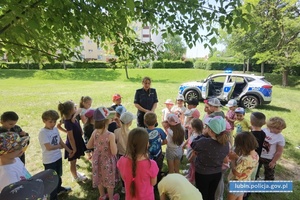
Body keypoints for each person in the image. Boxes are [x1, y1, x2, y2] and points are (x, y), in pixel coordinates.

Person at [191, 116, 230, 200]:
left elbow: (193, 144)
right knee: (211, 194)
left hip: (203, 173)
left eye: (207, 127)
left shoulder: (204, 142)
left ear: (211, 131)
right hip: (217, 173)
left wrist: (203, 135)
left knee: (202, 194)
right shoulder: (226, 143)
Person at [87, 107, 119, 200]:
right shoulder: (110, 135)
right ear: (105, 121)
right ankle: (111, 198)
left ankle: (102, 196)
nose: (111, 118)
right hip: (108, 161)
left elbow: (89, 146)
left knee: (100, 178)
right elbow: (114, 152)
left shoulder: (94, 132)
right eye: (109, 117)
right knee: (109, 180)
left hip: (97, 160)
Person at [38, 110, 72, 199]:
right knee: (51, 180)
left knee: (58, 175)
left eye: (54, 121)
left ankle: (59, 189)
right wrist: (59, 146)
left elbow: (60, 140)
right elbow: (48, 147)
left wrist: (68, 150)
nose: (53, 124)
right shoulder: (43, 133)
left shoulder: (55, 129)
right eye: (50, 122)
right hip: (49, 160)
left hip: (58, 157)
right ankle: (53, 197)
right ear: (44, 121)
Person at [117, 128, 159, 200]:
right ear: (146, 144)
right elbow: (153, 183)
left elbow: (124, 178)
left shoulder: (122, 161)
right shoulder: (151, 164)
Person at [57, 100, 87, 182]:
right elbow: (70, 138)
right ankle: (75, 177)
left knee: (75, 160)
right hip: (72, 144)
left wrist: (74, 117)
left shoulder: (72, 117)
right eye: (74, 107)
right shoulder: (67, 122)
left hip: (76, 142)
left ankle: (76, 173)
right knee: (73, 162)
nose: (76, 108)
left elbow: (80, 109)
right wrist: (74, 149)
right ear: (70, 110)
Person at [227, 132, 259, 200]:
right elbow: (246, 164)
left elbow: (236, 173)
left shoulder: (244, 159)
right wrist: (236, 157)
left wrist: (232, 160)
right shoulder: (255, 155)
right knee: (239, 198)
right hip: (245, 182)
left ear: (243, 146)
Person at [114, 111, 135, 193]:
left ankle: (124, 187)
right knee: (131, 171)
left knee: (122, 172)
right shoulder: (131, 133)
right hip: (131, 155)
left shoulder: (116, 131)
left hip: (120, 155)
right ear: (130, 122)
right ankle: (132, 186)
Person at [144, 112, 167, 185]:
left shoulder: (143, 132)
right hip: (158, 154)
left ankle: (149, 182)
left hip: (147, 156)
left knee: (147, 169)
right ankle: (157, 182)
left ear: (145, 122)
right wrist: (159, 144)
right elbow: (165, 141)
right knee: (158, 168)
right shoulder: (159, 130)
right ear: (156, 121)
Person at [182, 118, 203, 184]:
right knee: (191, 166)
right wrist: (184, 145)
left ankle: (192, 179)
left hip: (193, 156)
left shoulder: (197, 137)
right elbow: (189, 139)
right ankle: (189, 175)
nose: (189, 126)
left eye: (190, 125)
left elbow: (195, 151)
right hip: (190, 152)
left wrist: (191, 158)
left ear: (194, 127)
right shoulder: (194, 133)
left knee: (194, 168)